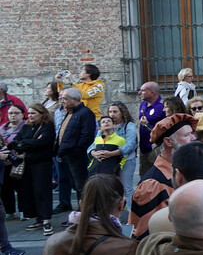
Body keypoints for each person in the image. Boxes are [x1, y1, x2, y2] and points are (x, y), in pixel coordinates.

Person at [129, 113, 196, 238]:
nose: (193, 138)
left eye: (192, 133)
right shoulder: (153, 185)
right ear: (168, 141)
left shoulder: (177, 173)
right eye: (187, 135)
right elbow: (149, 237)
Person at [13, 103, 55, 238]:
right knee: (29, 191)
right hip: (28, 163)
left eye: (33, 113)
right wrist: (29, 143)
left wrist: (25, 143)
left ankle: (46, 220)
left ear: (41, 114)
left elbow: (43, 142)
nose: (29, 116)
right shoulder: (26, 126)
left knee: (42, 191)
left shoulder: (47, 127)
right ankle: (37, 218)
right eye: (29, 113)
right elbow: (15, 142)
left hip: (42, 163)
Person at [57, 88, 98, 221]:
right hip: (66, 155)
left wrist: (75, 150)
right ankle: (80, 212)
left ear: (74, 99)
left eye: (65, 99)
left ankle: (84, 213)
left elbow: (87, 136)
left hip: (76, 156)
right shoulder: (69, 113)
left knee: (81, 185)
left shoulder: (85, 113)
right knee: (74, 184)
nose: (62, 101)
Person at [106, 103, 139, 199]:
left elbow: (130, 144)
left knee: (126, 189)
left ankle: (130, 212)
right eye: (110, 112)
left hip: (126, 160)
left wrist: (112, 153)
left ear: (122, 113)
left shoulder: (129, 126)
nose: (112, 114)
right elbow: (95, 142)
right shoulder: (106, 125)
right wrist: (93, 152)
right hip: (110, 161)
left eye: (115, 112)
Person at [136, 82, 166, 176]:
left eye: (143, 90)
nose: (139, 92)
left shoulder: (163, 106)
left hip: (157, 149)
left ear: (152, 92)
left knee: (158, 176)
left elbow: (166, 128)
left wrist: (148, 125)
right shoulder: (143, 104)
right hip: (144, 148)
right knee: (144, 176)